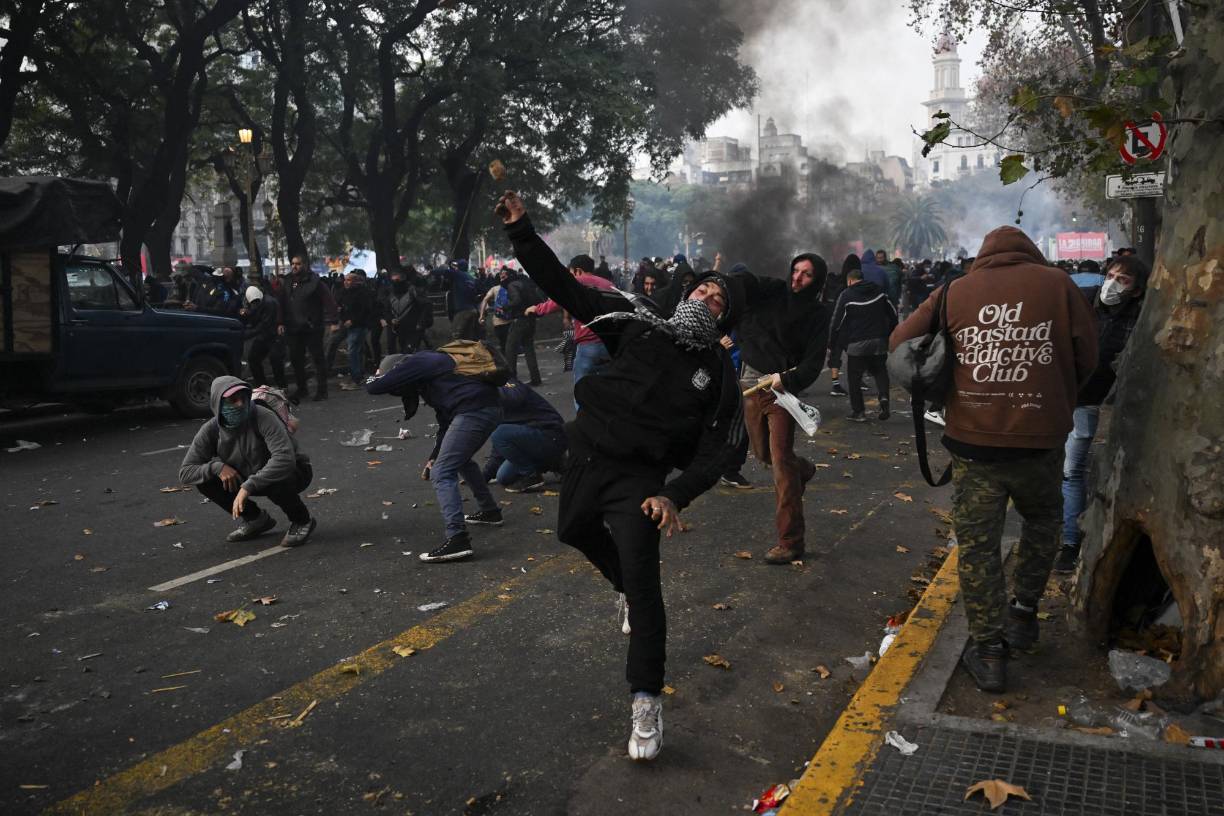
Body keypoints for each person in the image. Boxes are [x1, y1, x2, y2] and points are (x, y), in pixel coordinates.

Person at [499, 189, 748, 763]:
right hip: (586, 457)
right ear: (687, 292)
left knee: (646, 586)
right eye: (704, 290)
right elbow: (565, 287)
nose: (708, 298)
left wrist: (674, 493)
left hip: (641, 483)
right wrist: (521, 231)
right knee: (571, 531)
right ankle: (623, 590)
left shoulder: (717, 376)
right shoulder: (638, 324)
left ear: (726, 318)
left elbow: (719, 451)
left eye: (719, 300)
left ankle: (645, 700)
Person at [890, 225, 1097, 693]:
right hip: (1041, 441)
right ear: (1031, 252)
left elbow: (900, 342)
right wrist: (1053, 397)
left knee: (979, 546)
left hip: (974, 443)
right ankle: (1023, 614)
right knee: (1042, 524)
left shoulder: (955, 291)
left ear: (984, 256)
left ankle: (989, 652)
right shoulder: (1059, 285)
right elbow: (1088, 357)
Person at [735, 253, 831, 562]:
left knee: (780, 463)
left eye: (807, 274)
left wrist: (786, 378)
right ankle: (803, 469)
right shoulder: (773, 290)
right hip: (751, 385)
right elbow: (747, 283)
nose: (797, 278)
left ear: (817, 281)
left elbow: (813, 363)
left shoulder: (817, 314)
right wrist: (721, 282)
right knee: (763, 454)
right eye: (796, 270)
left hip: (781, 391)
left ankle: (791, 542)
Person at [1055, 255, 1148, 574]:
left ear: (1136, 290)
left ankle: (1070, 544)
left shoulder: (1141, 316)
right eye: (1111, 276)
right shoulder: (1081, 302)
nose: (1113, 284)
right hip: (1054, 396)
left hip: (1089, 402)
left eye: (1123, 280)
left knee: (1072, 471)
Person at [366, 350, 505, 563]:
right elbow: (445, 423)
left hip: (473, 411)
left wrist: (375, 376)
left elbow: (374, 387)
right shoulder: (433, 379)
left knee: (442, 472)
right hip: (485, 409)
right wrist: (433, 457)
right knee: (459, 460)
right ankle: (490, 511)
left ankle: (458, 539)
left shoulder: (418, 361)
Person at [178, 376, 316, 547]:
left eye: (243, 398)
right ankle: (256, 519)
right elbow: (186, 472)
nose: (240, 404)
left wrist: (248, 486)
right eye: (232, 400)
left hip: (294, 471)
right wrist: (217, 467)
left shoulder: (263, 416)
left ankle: (302, 520)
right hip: (249, 474)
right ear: (217, 403)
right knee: (205, 480)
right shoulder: (211, 429)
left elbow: (285, 459)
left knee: (274, 475)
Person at [527, 254, 617, 400]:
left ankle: (583, 413)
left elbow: (557, 300)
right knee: (607, 390)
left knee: (581, 392)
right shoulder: (608, 284)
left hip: (588, 345)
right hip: (609, 344)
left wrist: (537, 309)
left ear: (578, 271)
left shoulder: (576, 282)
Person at [829, 266, 898, 422]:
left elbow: (836, 322)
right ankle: (884, 397)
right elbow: (893, 313)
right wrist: (890, 333)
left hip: (857, 343)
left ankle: (859, 412)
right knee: (880, 371)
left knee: (854, 377)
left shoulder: (846, 295)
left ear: (850, 281)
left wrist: (832, 342)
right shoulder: (879, 291)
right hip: (879, 340)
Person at [483, 378, 567, 492]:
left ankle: (531, 475)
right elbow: (499, 448)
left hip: (550, 434)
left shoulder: (507, 384)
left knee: (499, 433)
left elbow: (516, 396)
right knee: (504, 477)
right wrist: (483, 477)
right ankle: (553, 462)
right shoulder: (492, 405)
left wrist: (491, 392)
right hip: (531, 439)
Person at [284, 255, 338, 402]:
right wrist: (280, 322)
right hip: (294, 327)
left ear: (304, 265)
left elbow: (328, 301)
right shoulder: (288, 281)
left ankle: (322, 390)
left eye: (298, 264)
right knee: (296, 359)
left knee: (317, 359)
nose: (294, 266)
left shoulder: (315, 282)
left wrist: (334, 320)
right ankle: (302, 389)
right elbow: (283, 301)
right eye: (293, 263)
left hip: (312, 327)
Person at [327, 271, 375, 391]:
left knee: (353, 351)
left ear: (355, 282)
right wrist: (339, 312)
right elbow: (339, 304)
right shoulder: (344, 292)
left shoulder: (362, 293)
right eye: (345, 280)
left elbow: (365, 310)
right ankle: (356, 375)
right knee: (338, 343)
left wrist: (353, 320)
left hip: (358, 325)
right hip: (346, 323)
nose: (346, 282)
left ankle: (357, 379)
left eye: (348, 280)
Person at [502, 266, 543, 385]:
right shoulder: (525, 283)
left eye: (503, 276)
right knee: (529, 348)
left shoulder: (512, 285)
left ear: (509, 276)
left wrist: (505, 307)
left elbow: (516, 300)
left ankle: (512, 379)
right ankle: (536, 378)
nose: (501, 278)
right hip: (531, 319)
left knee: (510, 349)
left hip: (519, 320)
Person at [240, 285, 287, 388]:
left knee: (275, 360)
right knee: (253, 359)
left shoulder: (269, 303)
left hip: (273, 336)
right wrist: (247, 313)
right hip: (264, 336)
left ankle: (282, 386)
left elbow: (263, 324)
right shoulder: (260, 302)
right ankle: (262, 385)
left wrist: (246, 334)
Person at [825, 254, 857, 396]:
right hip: (848, 325)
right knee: (854, 354)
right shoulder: (850, 286)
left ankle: (835, 384)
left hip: (833, 323)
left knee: (835, 353)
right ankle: (857, 381)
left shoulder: (834, 283)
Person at [383, 268, 428, 355]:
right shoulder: (391, 293)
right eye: (393, 280)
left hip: (413, 328)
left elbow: (426, 305)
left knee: (410, 352)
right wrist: (391, 320)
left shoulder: (413, 291)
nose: (395, 282)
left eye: (397, 279)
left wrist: (421, 322)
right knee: (404, 352)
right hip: (399, 329)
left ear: (403, 278)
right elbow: (387, 310)